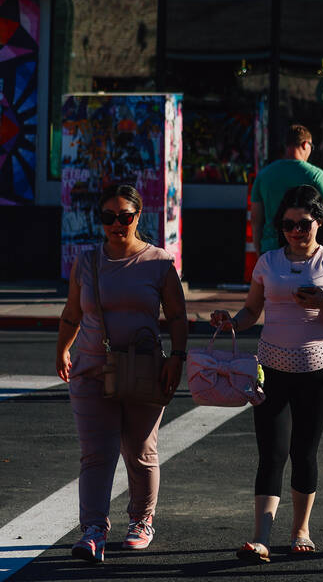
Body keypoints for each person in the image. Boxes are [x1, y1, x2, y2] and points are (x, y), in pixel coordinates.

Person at [209, 185, 323, 564]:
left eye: (304, 224)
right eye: (288, 224)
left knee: (304, 452)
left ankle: (301, 530)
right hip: (271, 368)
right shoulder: (268, 262)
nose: (296, 231)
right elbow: (251, 311)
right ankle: (260, 538)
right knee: (272, 452)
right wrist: (231, 322)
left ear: (318, 223)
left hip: (318, 371)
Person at [55, 183, 188, 564]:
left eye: (125, 216)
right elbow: (72, 314)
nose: (117, 224)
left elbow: (177, 316)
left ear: (138, 216)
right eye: (108, 217)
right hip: (91, 370)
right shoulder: (86, 262)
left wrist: (177, 357)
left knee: (140, 451)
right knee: (96, 454)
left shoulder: (158, 262)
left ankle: (142, 520)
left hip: (144, 369)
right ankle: (93, 530)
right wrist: (62, 349)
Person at [250, 124, 323, 256]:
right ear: (305, 144)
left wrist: (260, 253)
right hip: (305, 251)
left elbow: (255, 220)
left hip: (270, 249)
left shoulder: (263, 175)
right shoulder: (315, 175)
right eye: (311, 147)